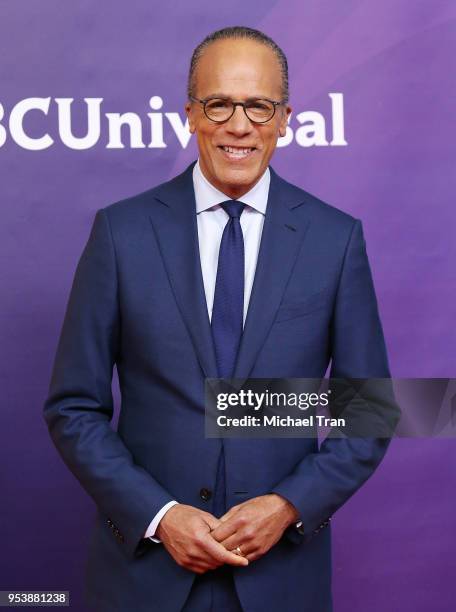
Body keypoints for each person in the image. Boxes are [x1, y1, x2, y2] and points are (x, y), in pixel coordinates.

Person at [43, 26, 396, 612]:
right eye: (219, 104)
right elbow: (73, 406)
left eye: (258, 106)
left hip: (281, 579)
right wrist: (159, 516)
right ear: (190, 114)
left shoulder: (335, 239)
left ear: (284, 117)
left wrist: (287, 505)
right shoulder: (121, 233)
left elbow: (370, 408)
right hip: (144, 579)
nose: (239, 125)